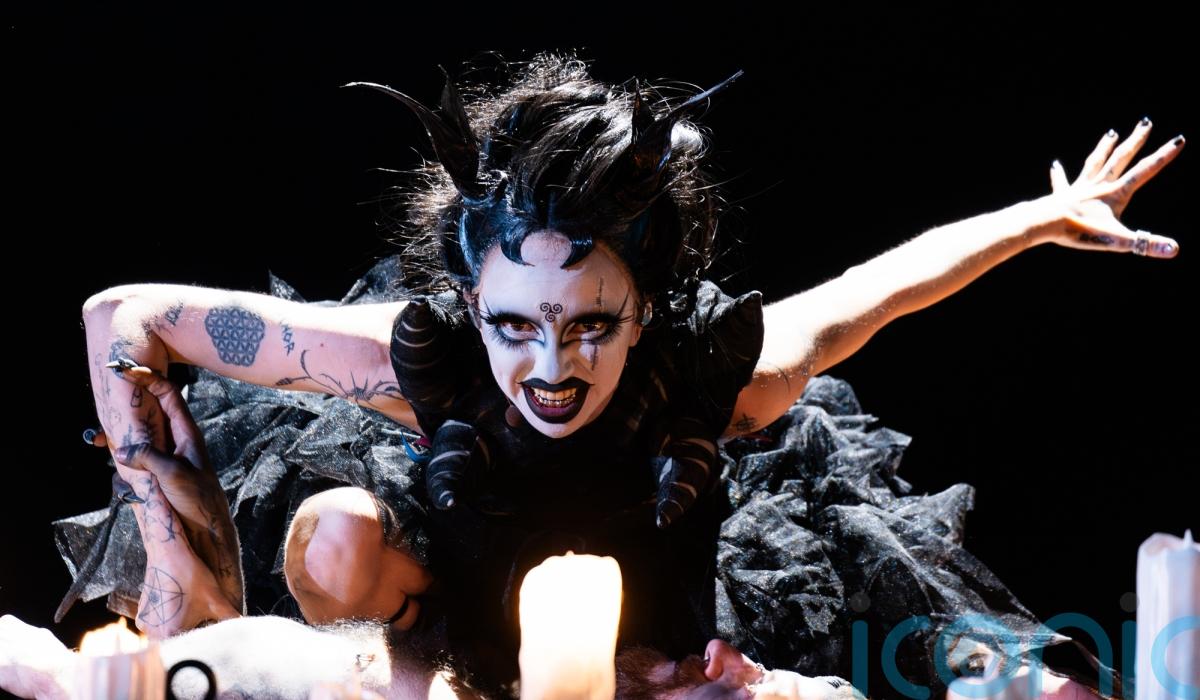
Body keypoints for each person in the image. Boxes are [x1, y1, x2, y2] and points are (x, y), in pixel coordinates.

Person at [53, 51, 1182, 697]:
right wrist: (174, 555)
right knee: (334, 534)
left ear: (645, 307)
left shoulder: (720, 375)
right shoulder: (427, 358)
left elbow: (877, 288)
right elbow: (124, 316)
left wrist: (1044, 219)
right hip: (454, 630)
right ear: (472, 303)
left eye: (592, 325)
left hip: (662, 637)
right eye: (514, 325)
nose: (550, 368)